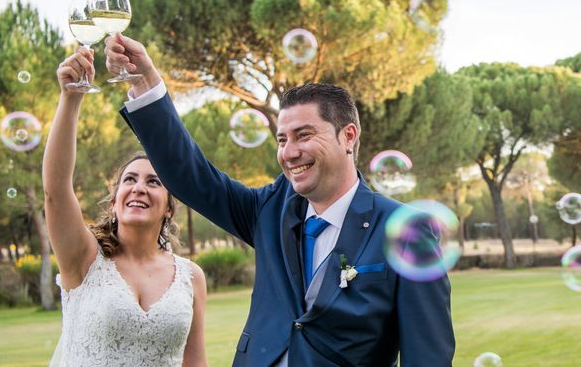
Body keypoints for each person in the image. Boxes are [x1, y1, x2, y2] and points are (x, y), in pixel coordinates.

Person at [105, 33, 455, 367]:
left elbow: (427, 356)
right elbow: (192, 176)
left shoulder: (406, 230)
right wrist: (145, 85)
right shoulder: (269, 210)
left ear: (348, 136)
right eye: (281, 139)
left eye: (303, 135)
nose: (289, 153)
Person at [42, 46, 208, 367]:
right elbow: (56, 192)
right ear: (116, 201)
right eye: (129, 180)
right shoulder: (84, 258)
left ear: (169, 208)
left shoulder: (192, 277)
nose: (139, 188)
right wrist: (71, 98)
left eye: (154, 182)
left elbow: (195, 363)